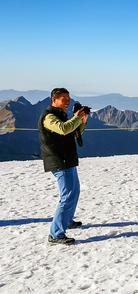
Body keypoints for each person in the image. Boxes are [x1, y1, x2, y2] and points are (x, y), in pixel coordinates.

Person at [38, 88, 88, 245]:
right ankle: (56, 234)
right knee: (67, 196)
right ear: (54, 100)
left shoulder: (61, 115)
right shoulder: (49, 117)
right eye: (63, 99)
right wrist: (76, 118)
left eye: (68, 98)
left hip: (67, 160)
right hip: (60, 162)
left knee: (74, 192)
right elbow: (64, 129)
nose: (67, 101)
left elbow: (73, 132)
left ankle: (67, 220)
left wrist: (82, 120)